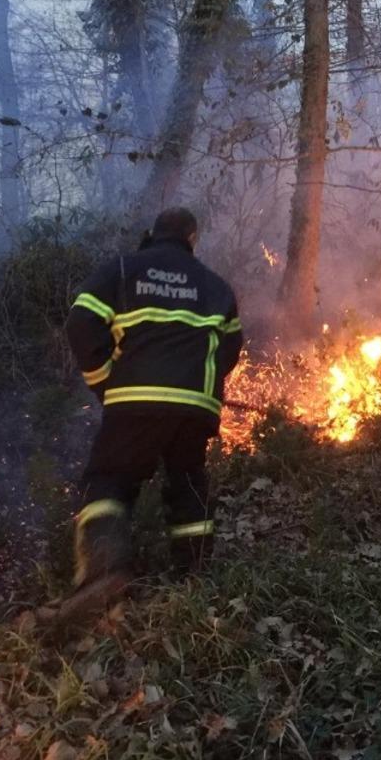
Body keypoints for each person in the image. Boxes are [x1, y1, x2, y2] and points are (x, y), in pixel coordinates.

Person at [59, 207, 242, 621]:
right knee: (188, 480)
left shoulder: (123, 270)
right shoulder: (215, 286)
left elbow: (80, 322)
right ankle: (193, 574)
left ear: (150, 234)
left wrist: (104, 379)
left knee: (109, 477)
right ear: (192, 240)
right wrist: (200, 384)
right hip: (195, 407)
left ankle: (105, 567)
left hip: (135, 400)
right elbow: (231, 348)